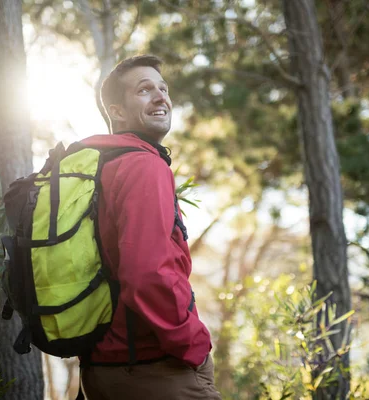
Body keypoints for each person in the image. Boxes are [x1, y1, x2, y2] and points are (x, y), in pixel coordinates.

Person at [77, 55, 222, 400]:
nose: (161, 97)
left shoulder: (99, 168)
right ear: (118, 112)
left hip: (101, 367)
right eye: (144, 90)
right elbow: (146, 274)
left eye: (163, 88)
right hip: (154, 366)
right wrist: (192, 344)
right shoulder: (144, 166)